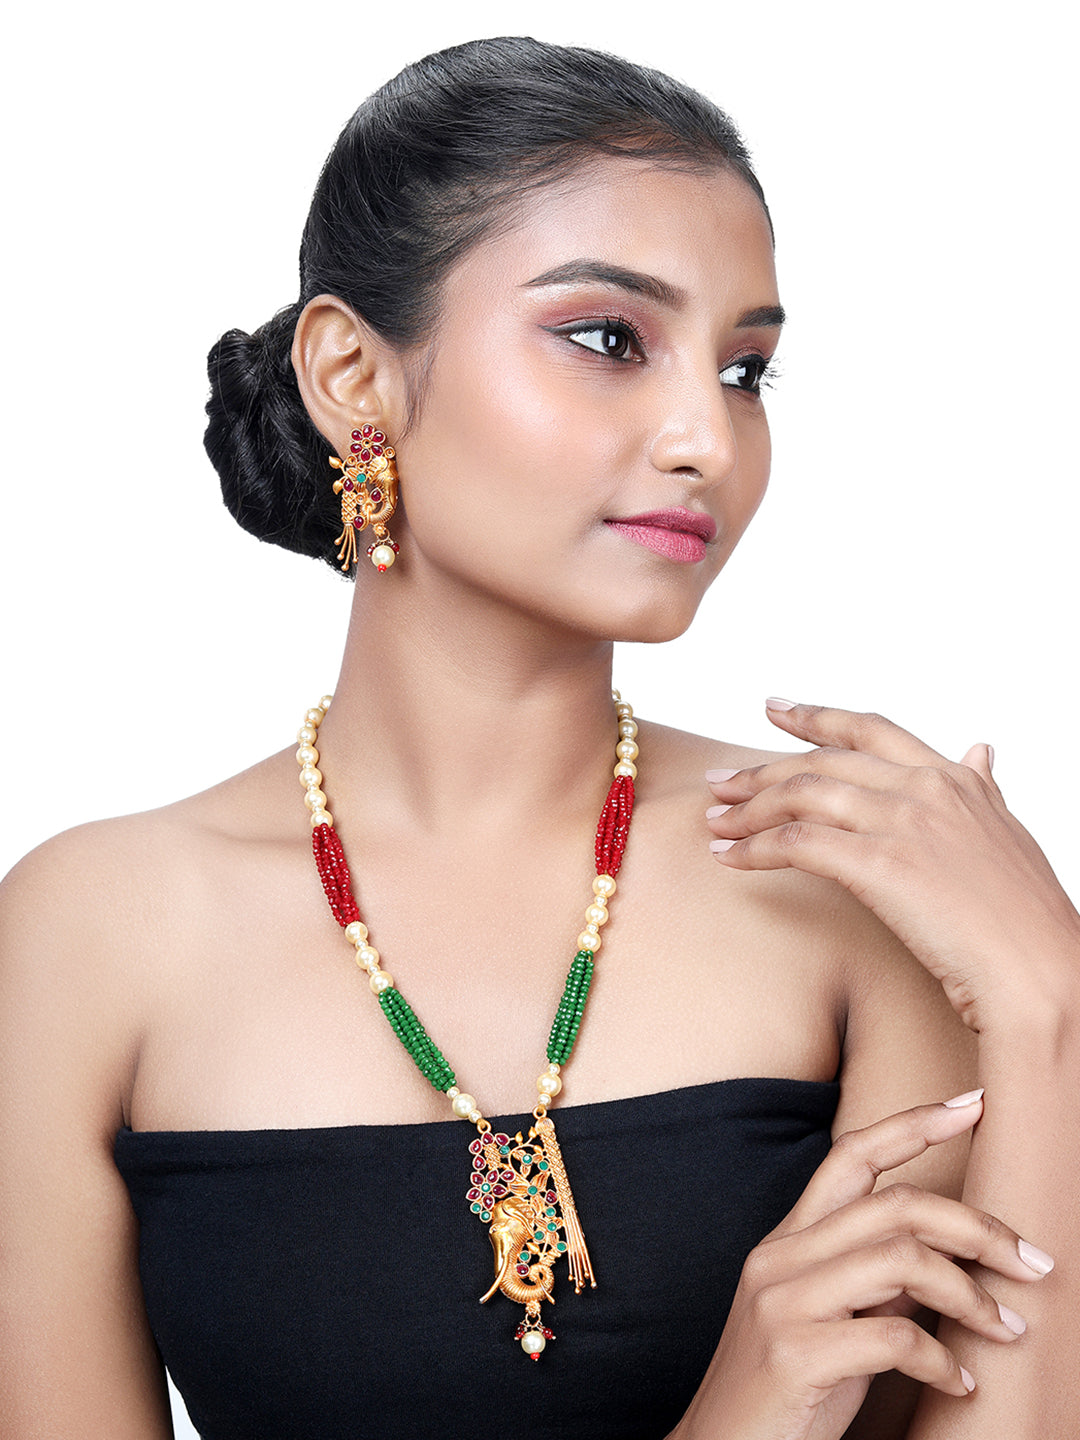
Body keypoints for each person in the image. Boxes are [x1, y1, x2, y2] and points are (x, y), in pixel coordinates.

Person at [1, 34, 1077, 1440]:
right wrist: (745, 1406)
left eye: (745, 371)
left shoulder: (848, 873)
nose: (707, 439)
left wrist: (1050, 1004)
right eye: (609, 339)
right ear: (351, 373)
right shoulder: (84, 933)